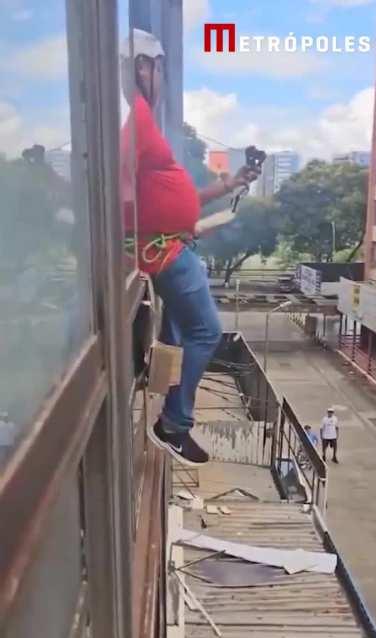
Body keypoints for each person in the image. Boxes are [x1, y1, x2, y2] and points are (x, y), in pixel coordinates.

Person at [120, 30, 259, 467]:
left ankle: (164, 397)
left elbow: (164, 198)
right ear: (145, 67)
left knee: (180, 333)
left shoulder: (142, 121)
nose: (159, 77)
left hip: (169, 245)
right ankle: (174, 424)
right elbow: (119, 194)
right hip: (164, 253)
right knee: (205, 332)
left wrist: (227, 185)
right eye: (158, 68)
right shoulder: (135, 120)